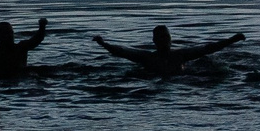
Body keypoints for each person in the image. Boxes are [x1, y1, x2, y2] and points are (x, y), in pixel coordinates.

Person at [94, 24, 244, 77]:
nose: (164, 41)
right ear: (154, 41)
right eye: (161, 38)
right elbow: (122, 51)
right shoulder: (146, 57)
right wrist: (103, 44)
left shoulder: (181, 55)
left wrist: (232, 40)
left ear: (171, 39)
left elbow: (207, 49)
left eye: (166, 37)